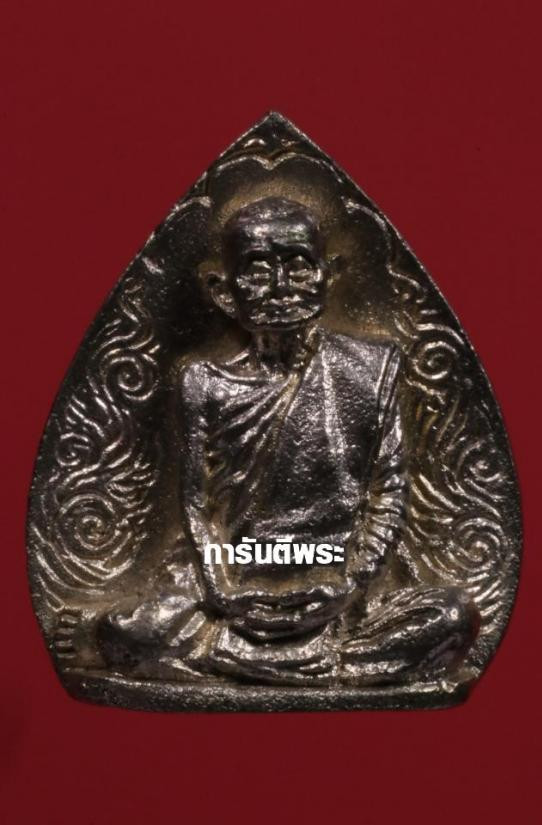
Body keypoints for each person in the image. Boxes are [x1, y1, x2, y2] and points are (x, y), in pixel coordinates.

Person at [98, 197, 479, 684]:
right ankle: (320, 665)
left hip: (335, 577)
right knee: (121, 632)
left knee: (453, 616)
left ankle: (247, 661)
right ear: (223, 291)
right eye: (258, 271)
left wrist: (349, 583)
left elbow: (389, 488)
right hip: (234, 574)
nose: (280, 288)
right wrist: (220, 588)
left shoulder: (371, 367)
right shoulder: (204, 381)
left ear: (329, 275)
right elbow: (195, 501)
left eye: (298, 267)